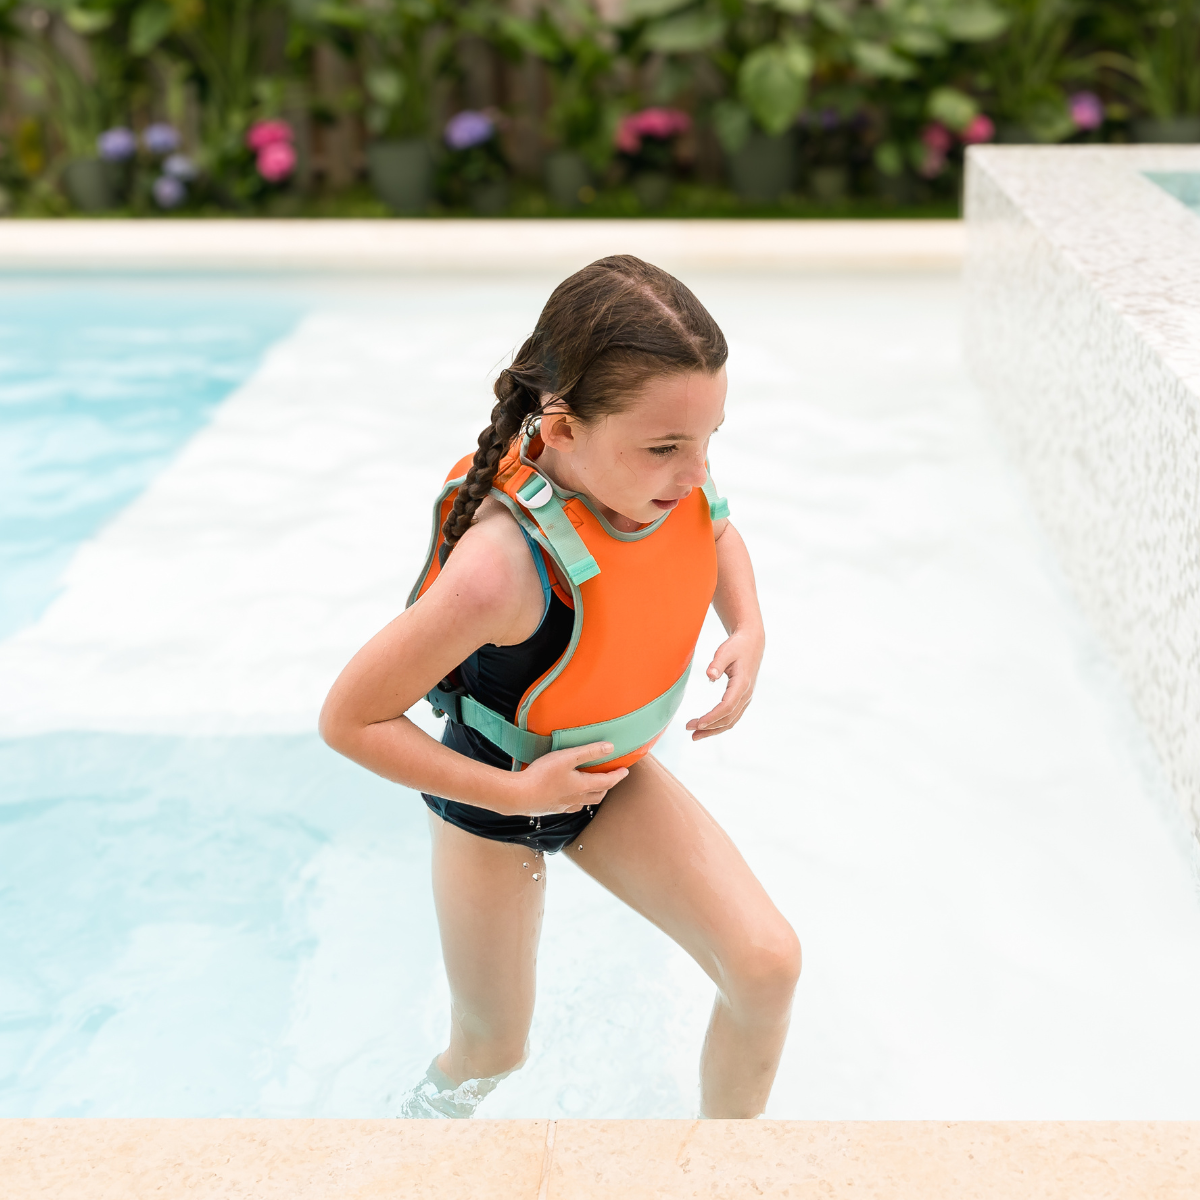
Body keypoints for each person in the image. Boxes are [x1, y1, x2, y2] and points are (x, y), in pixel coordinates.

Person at [319, 255, 800, 1119]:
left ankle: (723, 1173)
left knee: (766, 966)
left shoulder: (663, 478)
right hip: (494, 799)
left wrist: (749, 626)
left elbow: (717, 531)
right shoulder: (497, 572)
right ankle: (408, 1153)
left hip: (606, 779)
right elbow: (349, 720)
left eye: (708, 440)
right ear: (564, 426)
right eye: (666, 447)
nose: (694, 472)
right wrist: (516, 789)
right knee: (492, 1049)